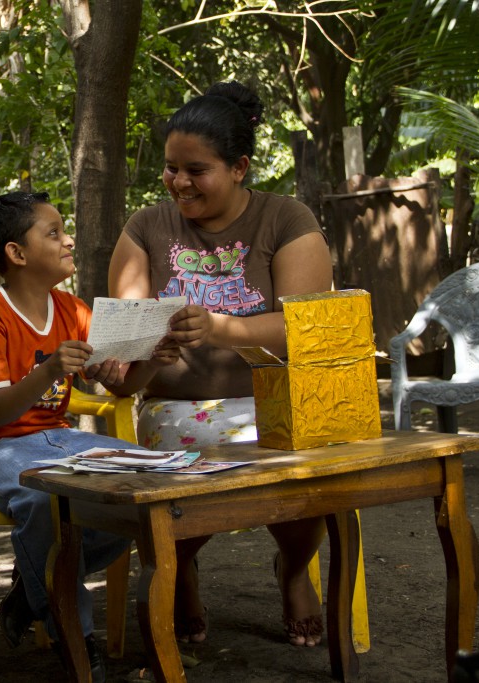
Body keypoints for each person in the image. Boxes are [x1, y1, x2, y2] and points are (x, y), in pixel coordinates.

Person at [107, 81, 334, 648]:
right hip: (177, 406)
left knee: (308, 459)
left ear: (239, 167)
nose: (179, 183)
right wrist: (123, 355)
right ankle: (179, 568)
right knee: (179, 462)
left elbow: (306, 328)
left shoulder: (286, 219)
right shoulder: (145, 228)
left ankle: (294, 566)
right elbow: (125, 337)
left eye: (196, 170)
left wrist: (218, 327)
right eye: (170, 169)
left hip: (274, 398)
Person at [0, 191, 180, 680]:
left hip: (61, 439)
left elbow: (119, 386)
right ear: (16, 253)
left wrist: (152, 362)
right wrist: (51, 367)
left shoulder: (71, 309)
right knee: (44, 504)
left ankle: (33, 584)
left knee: (156, 481)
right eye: (53, 233)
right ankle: (78, 647)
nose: (67, 239)